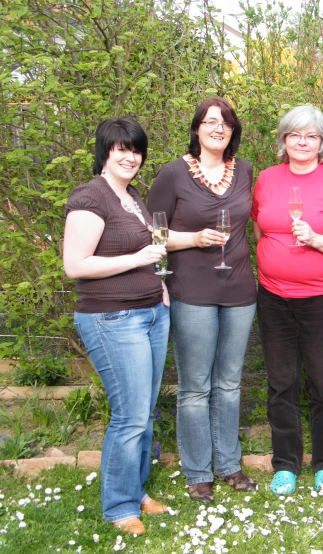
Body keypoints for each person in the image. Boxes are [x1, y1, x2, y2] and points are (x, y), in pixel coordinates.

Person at [148, 98, 258, 503]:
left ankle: (229, 465)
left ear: (233, 132)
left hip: (240, 291)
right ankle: (198, 471)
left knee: (229, 383)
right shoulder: (172, 174)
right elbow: (154, 234)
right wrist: (193, 239)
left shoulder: (244, 170)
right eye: (210, 122)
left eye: (226, 123)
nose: (218, 128)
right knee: (195, 387)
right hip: (192, 291)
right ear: (196, 128)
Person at [64, 117, 170, 535]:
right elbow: (76, 265)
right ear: (104, 152)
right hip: (112, 318)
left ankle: (136, 489)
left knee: (142, 411)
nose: (130, 156)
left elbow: (149, 250)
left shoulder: (131, 197)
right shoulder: (91, 197)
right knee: (129, 416)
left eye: (136, 149)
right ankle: (120, 506)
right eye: (120, 148)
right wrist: (139, 260)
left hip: (150, 312)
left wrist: (158, 287)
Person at [252, 105, 323, 495]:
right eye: (295, 134)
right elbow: (260, 230)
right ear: (283, 139)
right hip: (273, 297)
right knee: (281, 384)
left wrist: (315, 240)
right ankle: (285, 464)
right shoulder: (265, 180)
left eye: (311, 135)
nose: (302, 142)